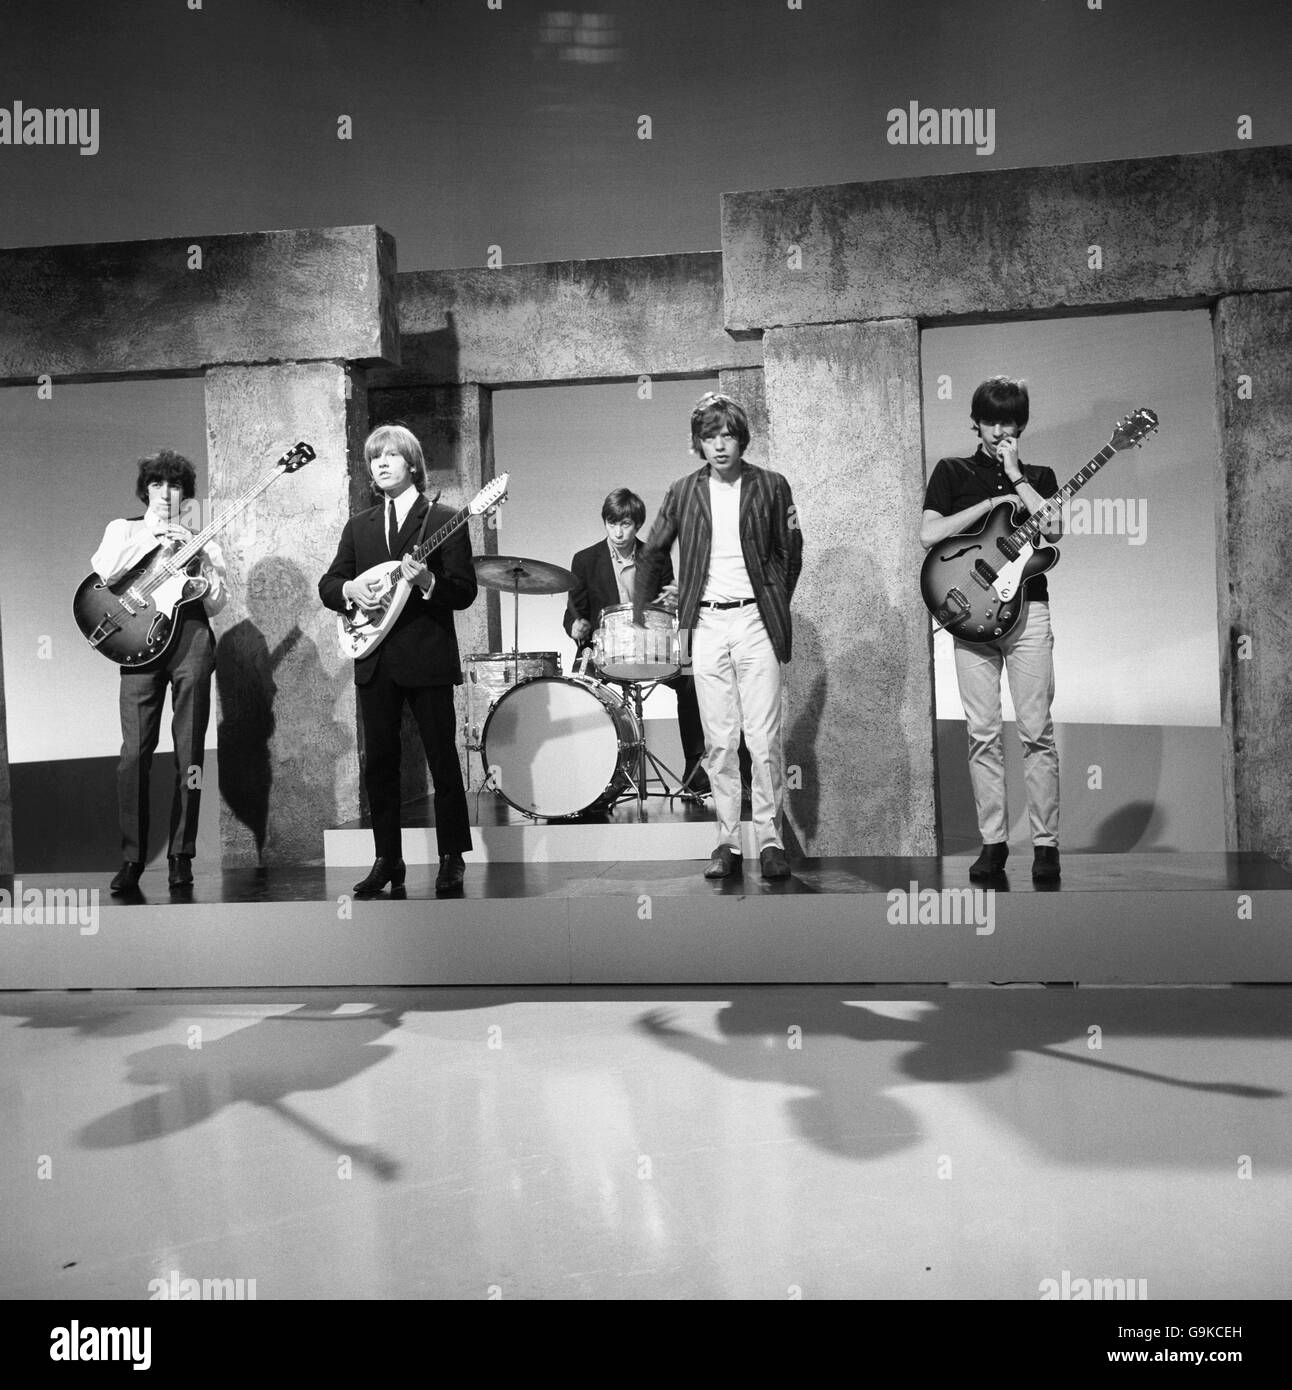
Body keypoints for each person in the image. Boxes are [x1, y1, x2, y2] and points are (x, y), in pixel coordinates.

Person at [635, 392, 803, 879]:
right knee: (721, 739)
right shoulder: (684, 490)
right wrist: (644, 609)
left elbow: (791, 551)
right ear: (699, 444)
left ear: (741, 438)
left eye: (727, 435)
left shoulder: (771, 485)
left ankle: (769, 840)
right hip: (707, 625)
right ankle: (727, 841)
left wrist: (772, 600)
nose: (720, 445)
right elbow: (655, 548)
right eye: (710, 437)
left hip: (755, 623)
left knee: (764, 738)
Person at [319, 423, 477, 897]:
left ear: (412, 464)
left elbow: (464, 592)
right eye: (374, 458)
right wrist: (349, 590)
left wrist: (428, 581)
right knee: (380, 765)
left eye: (390, 456)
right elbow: (330, 583)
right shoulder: (359, 525)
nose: (381, 464)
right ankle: (387, 859)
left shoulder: (444, 518)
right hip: (374, 658)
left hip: (426, 658)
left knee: (442, 760)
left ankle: (452, 857)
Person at [920, 375, 1062, 882]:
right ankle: (994, 843)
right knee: (982, 733)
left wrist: (1016, 477)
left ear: (1021, 424)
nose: (1001, 429)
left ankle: (1045, 846)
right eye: (992, 420)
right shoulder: (952, 471)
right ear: (976, 422)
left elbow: (1053, 530)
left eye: (1010, 421)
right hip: (970, 618)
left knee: (1036, 732)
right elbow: (929, 533)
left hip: (1028, 615)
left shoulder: (1039, 474)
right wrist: (988, 505)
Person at [92, 450, 227, 894]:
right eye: (157, 485)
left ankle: (180, 855)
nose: (166, 493)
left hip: (190, 639)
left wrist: (203, 562)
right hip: (138, 643)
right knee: (134, 753)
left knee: (189, 752)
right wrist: (156, 539)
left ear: (186, 493)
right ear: (146, 489)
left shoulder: (201, 537)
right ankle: (132, 859)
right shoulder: (124, 529)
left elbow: (217, 603)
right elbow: (106, 569)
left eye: (175, 486)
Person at [564, 487, 709, 793]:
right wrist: (576, 626)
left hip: (651, 644)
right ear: (605, 522)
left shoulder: (654, 557)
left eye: (626, 524)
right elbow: (573, 612)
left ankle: (694, 768)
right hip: (604, 646)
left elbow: (669, 607)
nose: (618, 531)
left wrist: (674, 599)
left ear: (638, 525)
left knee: (690, 677)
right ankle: (594, 773)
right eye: (612, 523)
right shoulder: (585, 560)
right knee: (580, 686)